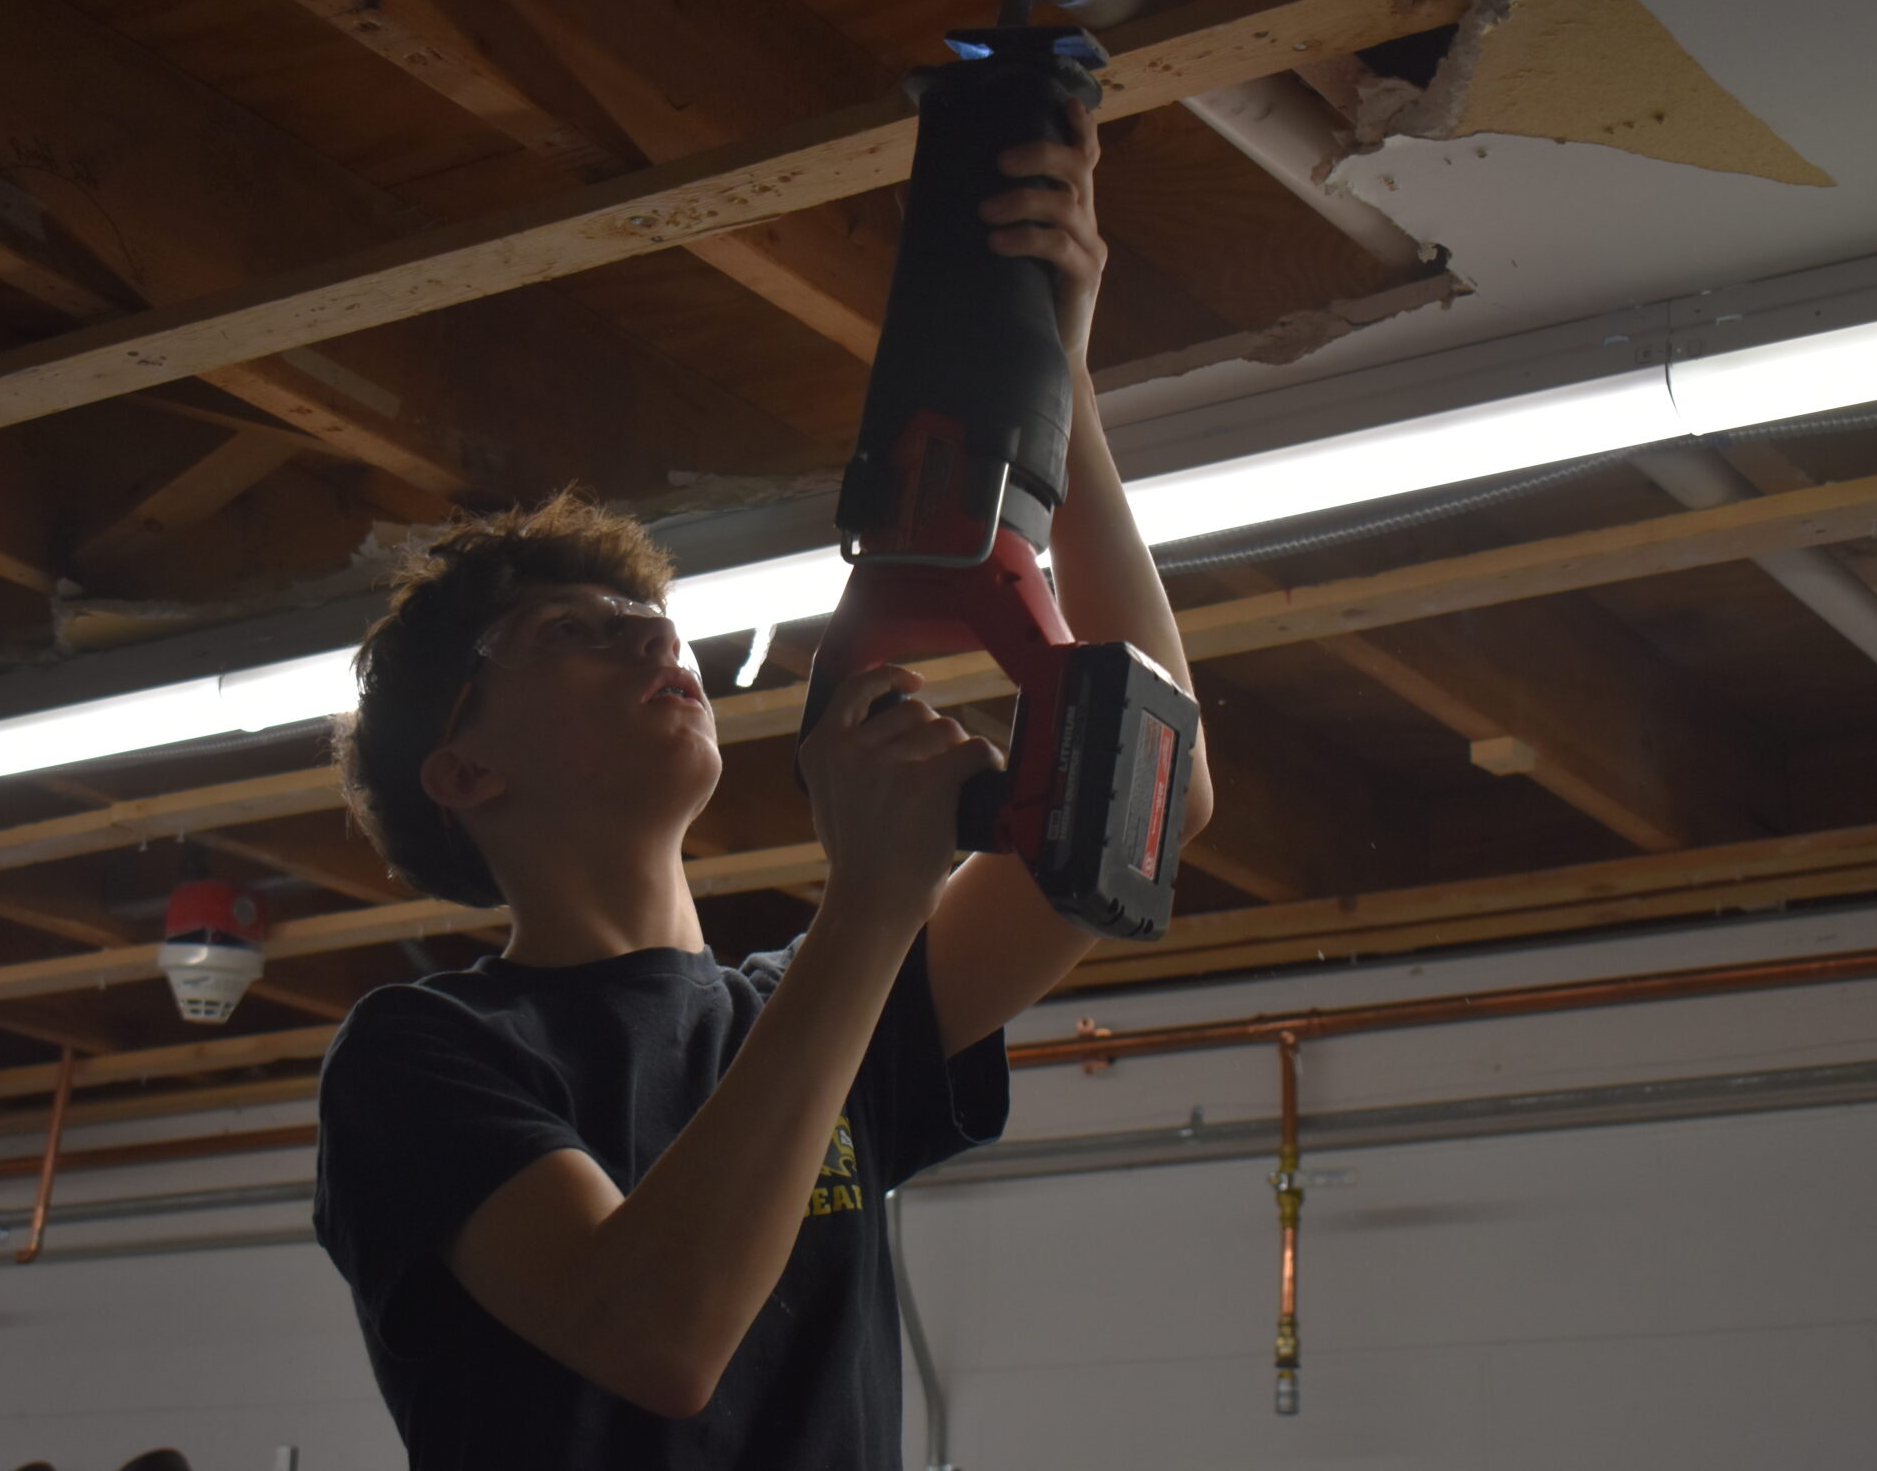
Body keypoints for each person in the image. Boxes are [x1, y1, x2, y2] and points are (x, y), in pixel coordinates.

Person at [313, 104, 1213, 1469]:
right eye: (571, 633)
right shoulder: (426, 1057)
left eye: (648, 617)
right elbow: (655, 1334)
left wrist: (1060, 387)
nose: (648, 635)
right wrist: (868, 907)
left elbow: (1152, 798)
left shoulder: (808, 1011)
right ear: (464, 767)